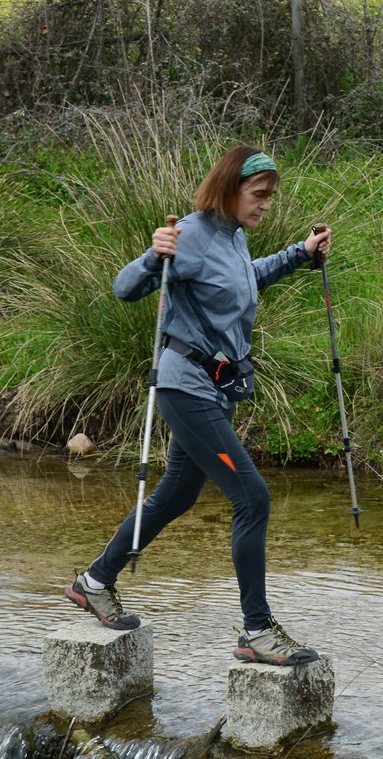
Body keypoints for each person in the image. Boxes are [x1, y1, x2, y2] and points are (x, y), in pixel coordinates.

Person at [64, 145, 332, 666]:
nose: (265, 205)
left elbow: (244, 280)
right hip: (185, 388)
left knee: (176, 496)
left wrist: (300, 253)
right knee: (252, 498)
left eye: (270, 197)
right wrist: (151, 254)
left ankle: (94, 581)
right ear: (230, 188)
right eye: (258, 196)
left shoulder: (232, 238)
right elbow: (125, 288)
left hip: (216, 389)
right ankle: (256, 631)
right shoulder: (188, 235)